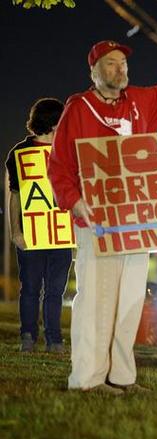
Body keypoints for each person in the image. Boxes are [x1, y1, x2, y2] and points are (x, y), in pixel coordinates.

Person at [47, 33, 157, 394]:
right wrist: (74, 202)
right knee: (96, 300)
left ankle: (121, 376)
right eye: (111, 64)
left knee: (131, 299)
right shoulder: (79, 107)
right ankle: (87, 378)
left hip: (136, 221)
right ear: (94, 71)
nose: (120, 69)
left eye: (124, 63)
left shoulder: (139, 103)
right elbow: (59, 166)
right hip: (95, 221)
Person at [6, 98, 73, 353]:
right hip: (30, 234)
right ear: (54, 123)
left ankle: (54, 339)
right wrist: (15, 231)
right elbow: (14, 195)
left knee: (56, 291)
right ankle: (28, 336)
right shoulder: (19, 154)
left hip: (61, 235)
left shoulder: (68, 152)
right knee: (31, 288)